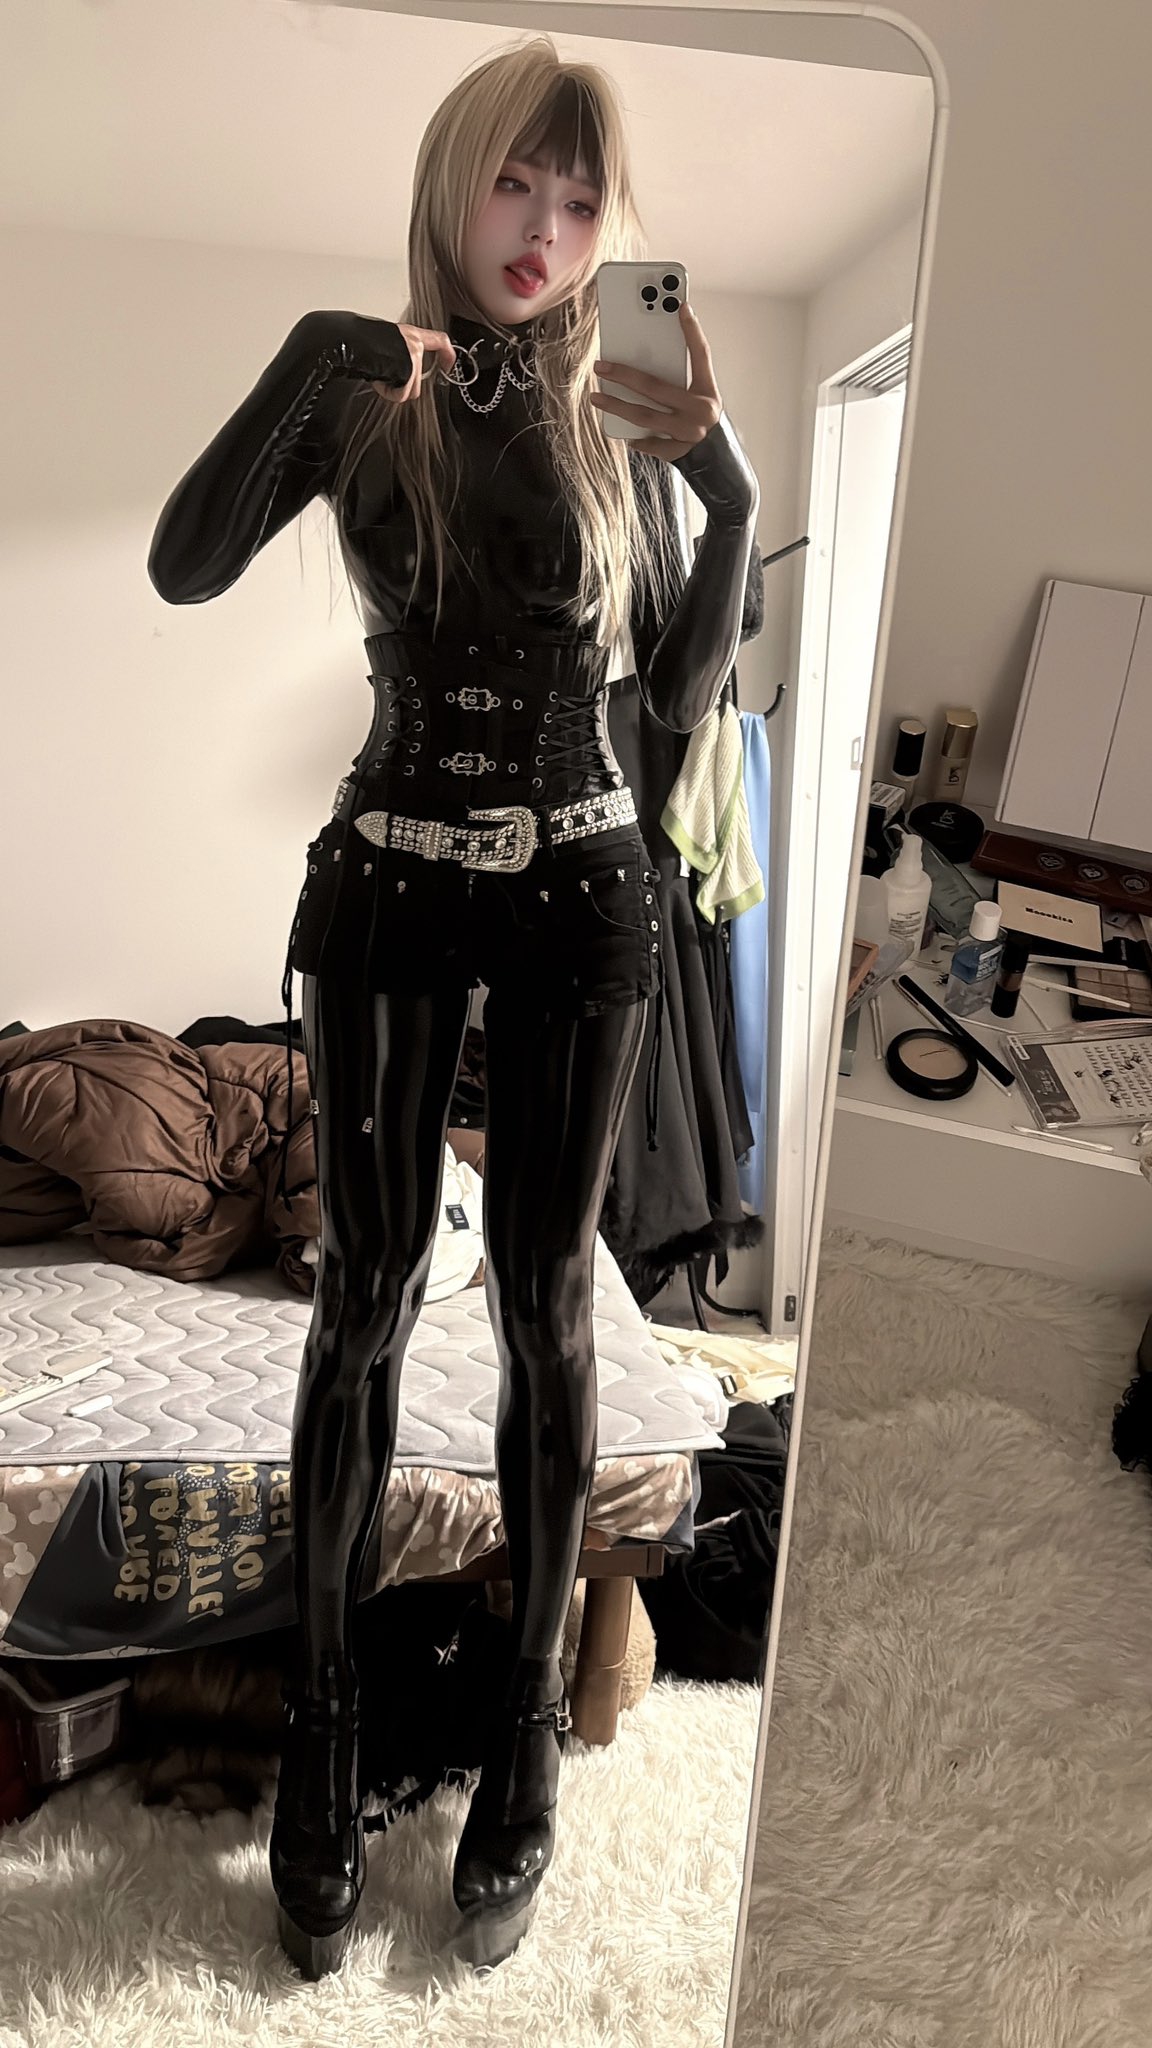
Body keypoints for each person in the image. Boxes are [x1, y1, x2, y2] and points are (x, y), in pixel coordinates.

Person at [148, 35, 760, 1981]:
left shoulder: (619, 410)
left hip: (581, 873)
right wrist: (323, 364)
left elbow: (677, 702)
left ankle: (522, 1739)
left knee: (548, 1303)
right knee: (364, 1294)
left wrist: (724, 478)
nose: (548, 229)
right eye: (518, 182)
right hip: (390, 869)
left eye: (582, 199)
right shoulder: (366, 384)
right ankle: (322, 1734)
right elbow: (182, 560)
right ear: (452, 181)